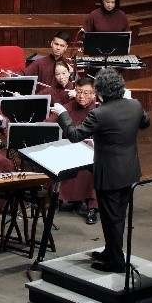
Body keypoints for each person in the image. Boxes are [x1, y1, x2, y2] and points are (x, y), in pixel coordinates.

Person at [53, 68, 150, 272]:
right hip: (130, 171)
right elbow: (145, 123)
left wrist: (62, 114)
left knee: (112, 218)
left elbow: (74, 135)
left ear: (100, 92)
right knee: (115, 216)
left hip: (110, 174)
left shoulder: (99, 113)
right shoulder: (135, 105)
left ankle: (117, 262)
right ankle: (111, 251)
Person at [52, 76, 99, 224]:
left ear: (94, 94)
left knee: (93, 168)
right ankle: (67, 199)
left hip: (93, 151)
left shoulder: (98, 111)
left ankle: (92, 207)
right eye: (78, 92)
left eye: (86, 93)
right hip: (69, 149)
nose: (81, 96)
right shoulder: (67, 107)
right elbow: (49, 122)